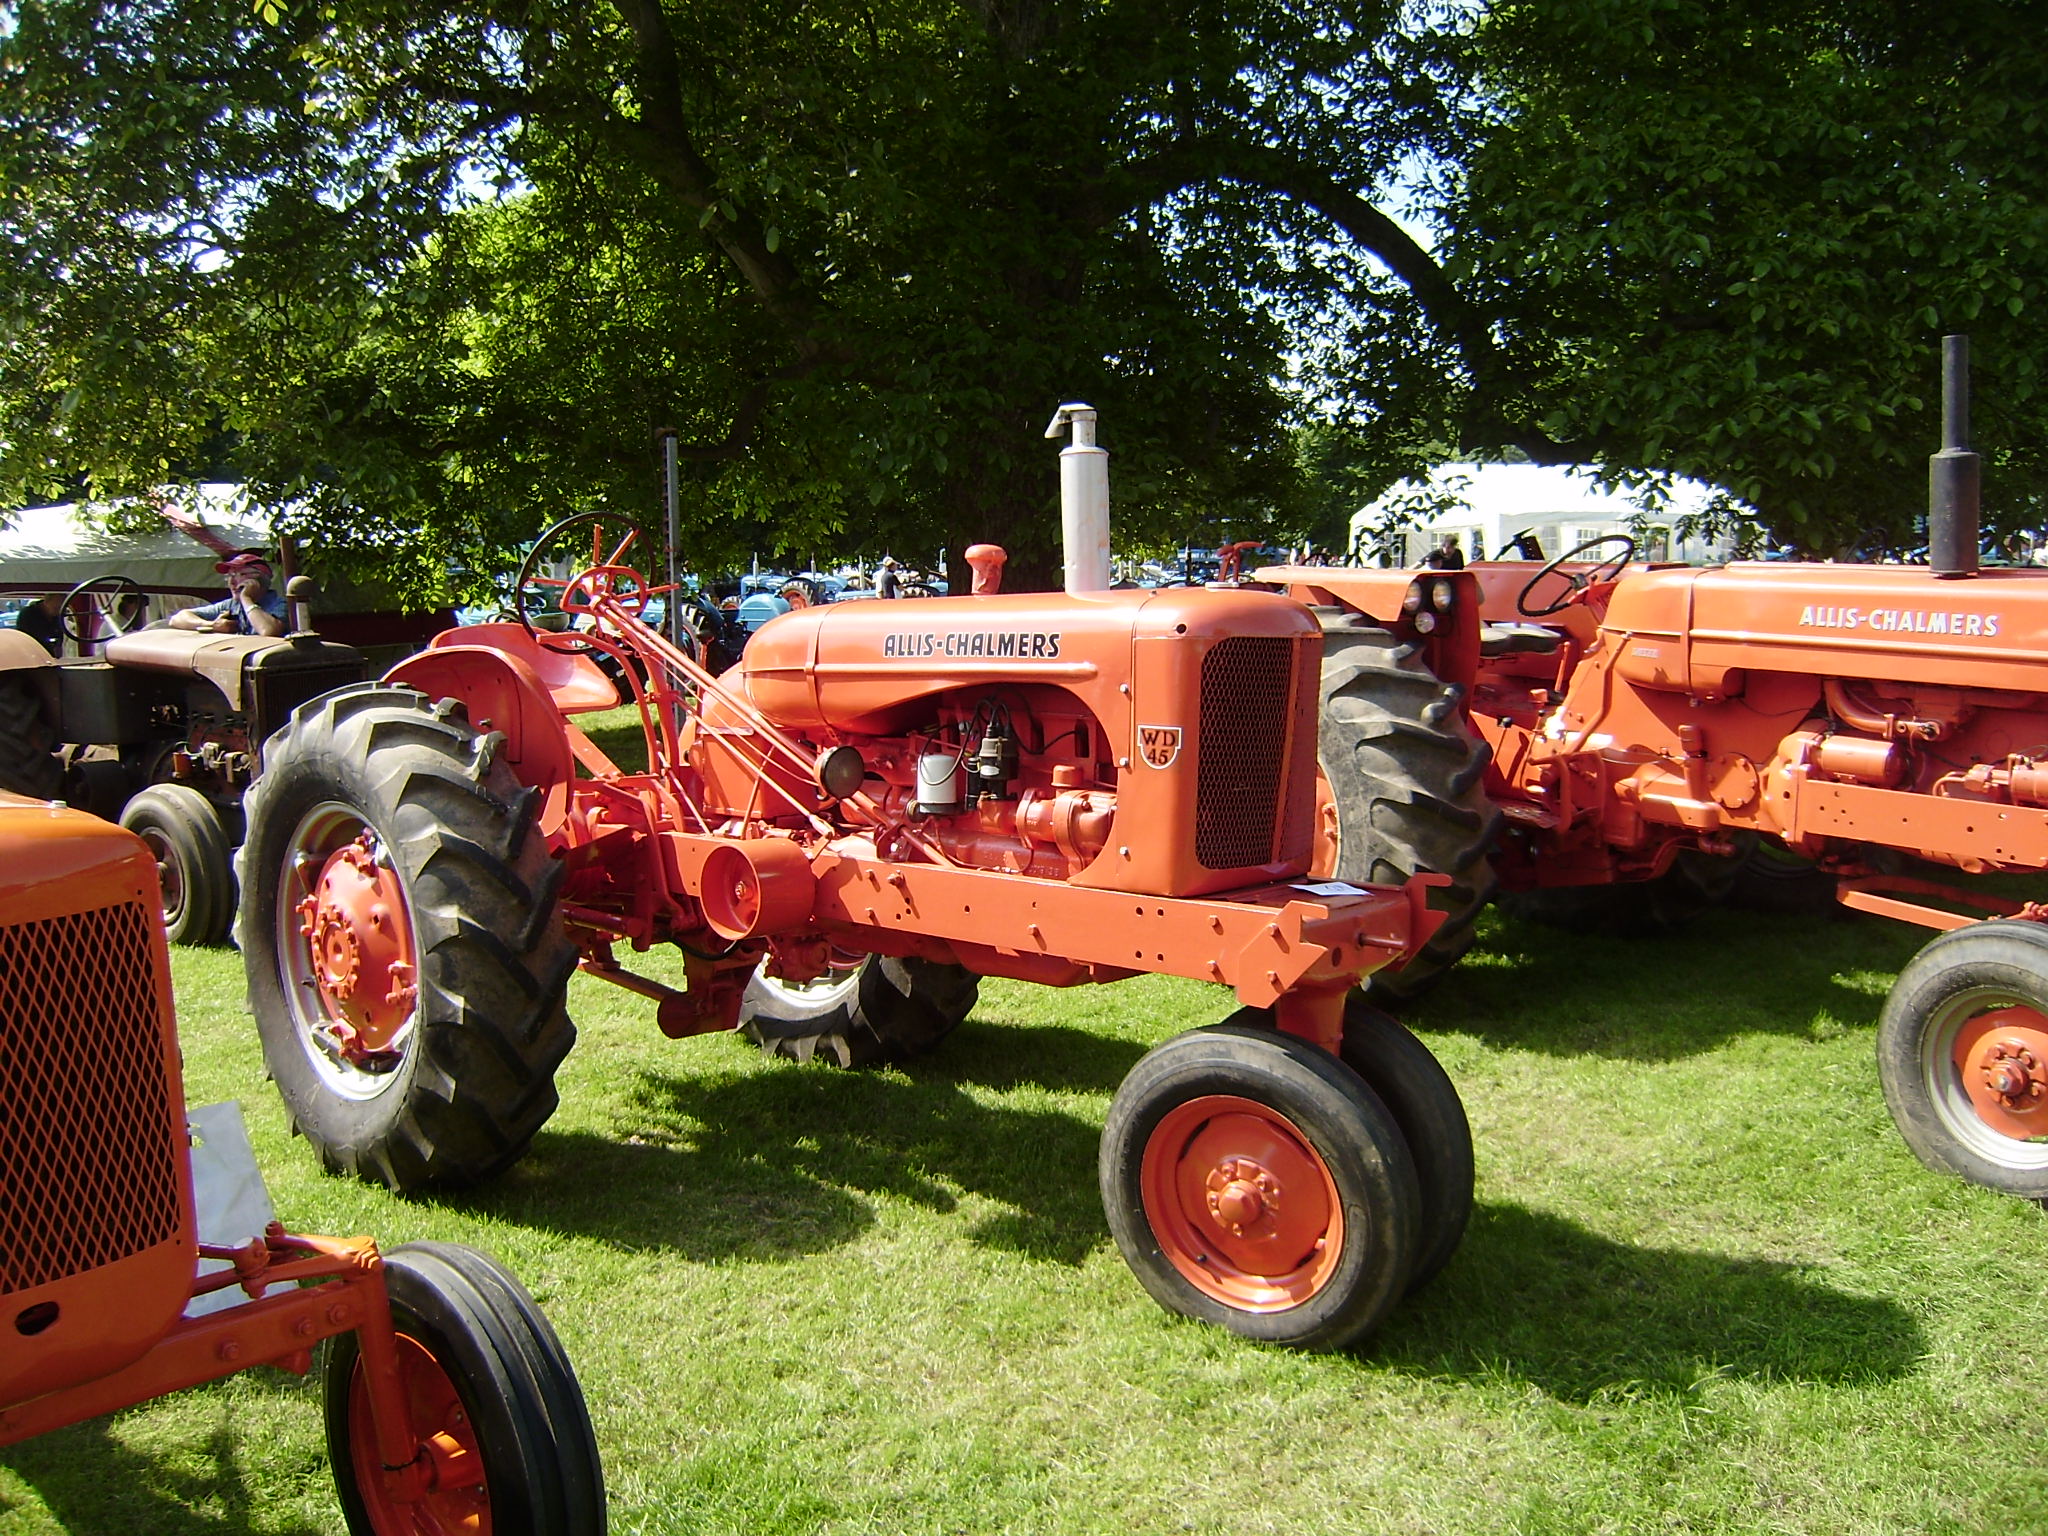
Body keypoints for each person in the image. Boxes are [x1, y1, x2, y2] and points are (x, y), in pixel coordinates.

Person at [168, 552, 287, 637]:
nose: (232, 582)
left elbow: (269, 631)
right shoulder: (230, 605)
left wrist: (246, 599)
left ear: (260, 580)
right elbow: (177, 619)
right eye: (230, 576)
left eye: (241, 575)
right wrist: (213, 625)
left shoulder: (280, 604)